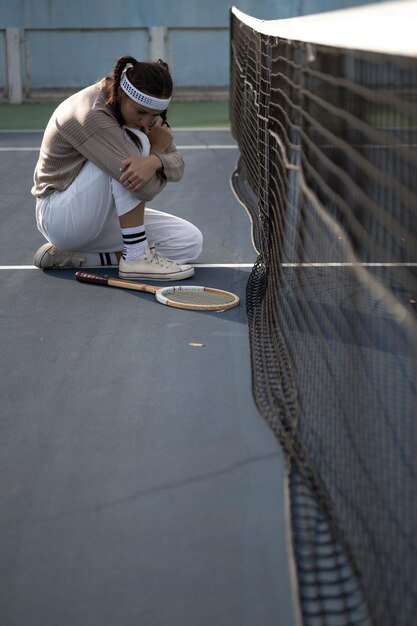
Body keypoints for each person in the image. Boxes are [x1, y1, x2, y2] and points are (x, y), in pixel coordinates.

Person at [31, 55, 203, 280]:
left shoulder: (137, 111)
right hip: (61, 216)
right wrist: (155, 152)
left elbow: (178, 166)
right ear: (122, 94)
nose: (145, 122)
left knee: (187, 241)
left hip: (98, 213)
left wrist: (156, 160)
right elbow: (143, 189)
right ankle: (135, 256)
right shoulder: (92, 114)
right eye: (140, 112)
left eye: (154, 115)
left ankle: (82, 257)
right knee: (136, 143)